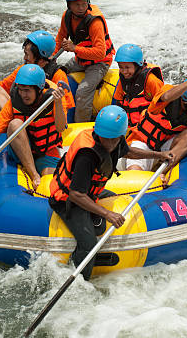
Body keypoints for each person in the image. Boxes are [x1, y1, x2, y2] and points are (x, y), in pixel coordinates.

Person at [48, 105, 172, 280]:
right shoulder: (87, 155)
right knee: (89, 243)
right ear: (98, 133)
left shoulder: (114, 138)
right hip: (67, 199)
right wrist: (107, 214)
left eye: (114, 140)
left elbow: (128, 152)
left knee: (114, 197)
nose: (110, 144)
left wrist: (158, 155)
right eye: (106, 139)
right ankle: (79, 282)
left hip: (88, 192)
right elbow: (76, 194)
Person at [0, 64, 67, 189]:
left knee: (51, 185)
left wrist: (58, 103)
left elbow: (60, 128)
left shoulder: (53, 98)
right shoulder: (15, 101)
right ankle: (34, 174)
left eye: (27, 90)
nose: (23, 94)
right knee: (15, 124)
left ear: (38, 89)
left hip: (46, 151)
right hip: (21, 149)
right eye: (20, 89)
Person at [53, 0, 116, 123]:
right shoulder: (67, 16)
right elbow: (60, 40)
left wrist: (75, 48)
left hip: (100, 63)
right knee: (58, 71)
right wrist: (51, 58)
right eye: (77, 4)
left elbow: (100, 53)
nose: (81, 8)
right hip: (81, 60)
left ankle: (82, 126)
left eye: (84, 3)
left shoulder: (95, 22)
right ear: (69, 4)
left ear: (88, 2)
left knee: (82, 93)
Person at [0, 30, 74, 111]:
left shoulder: (58, 74)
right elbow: (2, 86)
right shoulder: (24, 69)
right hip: (22, 115)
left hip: (43, 116)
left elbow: (67, 106)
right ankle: (13, 124)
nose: (25, 58)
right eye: (25, 53)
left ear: (41, 59)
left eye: (27, 55)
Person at [112, 43, 164, 127]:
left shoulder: (152, 81)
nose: (124, 71)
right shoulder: (123, 78)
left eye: (127, 67)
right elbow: (118, 101)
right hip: (129, 125)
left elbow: (163, 107)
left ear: (137, 65)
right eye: (121, 67)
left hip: (148, 126)